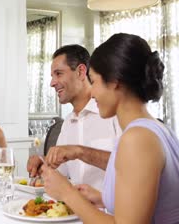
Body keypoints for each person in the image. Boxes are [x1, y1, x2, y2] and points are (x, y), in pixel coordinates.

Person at [41, 33, 179, 223]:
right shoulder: (159, 130)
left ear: (114, 82)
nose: (92, 92)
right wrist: (103, 197)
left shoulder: (137, 138)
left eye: (94, 81)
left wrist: (68, 194)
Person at [27, 45, 121, 191]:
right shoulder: (67, 123)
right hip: (74, 210)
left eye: (58, 74)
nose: (52, 83)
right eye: (52, 76)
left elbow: (132, 166)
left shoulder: (114, 114)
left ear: (81, 72)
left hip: (111, 210)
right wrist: (43, 164)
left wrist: (80, 151)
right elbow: (60, 173)